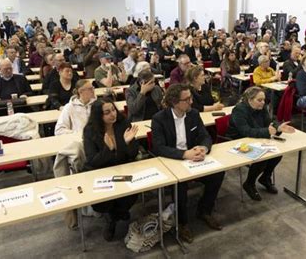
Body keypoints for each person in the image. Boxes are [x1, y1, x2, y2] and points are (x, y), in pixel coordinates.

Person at [151, 84, 224, 243]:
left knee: (218, 173)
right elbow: (158, 147)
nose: (192, 101)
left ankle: (204, 210)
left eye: (191, 97)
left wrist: (203, 148)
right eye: (187, 99)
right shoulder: (159, 119)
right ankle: (182, 222)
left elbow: (205, 136)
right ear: (174, 102)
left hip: (194, 158)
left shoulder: (193, 114)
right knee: (180, 185)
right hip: (173, 160)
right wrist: (184, 154)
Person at [83, 98, 139, 241]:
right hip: (100, 171)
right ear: (98, 115)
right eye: (107, 112)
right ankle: (111, 218)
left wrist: (126, 143)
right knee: (103, 203)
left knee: (131, 196)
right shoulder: (90, 130)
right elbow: (93, 161)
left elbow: (133, 153)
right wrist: (109, 149)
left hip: (122, 168)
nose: (112, 114)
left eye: (113, 110)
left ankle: (115, 215)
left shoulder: (123, 123)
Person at [226, 86, 295, 200]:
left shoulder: (262, 108)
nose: (263, 102)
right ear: (249, 100)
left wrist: (278, 128)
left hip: (256, 138)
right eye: (259, 100)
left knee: (277, 154)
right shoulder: (239, 110)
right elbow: (245, 131)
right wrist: (267, 131)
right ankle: (249, 183)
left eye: (264, 100)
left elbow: (270, 122)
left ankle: (265, 178)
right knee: (262, 157)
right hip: (238, 140)